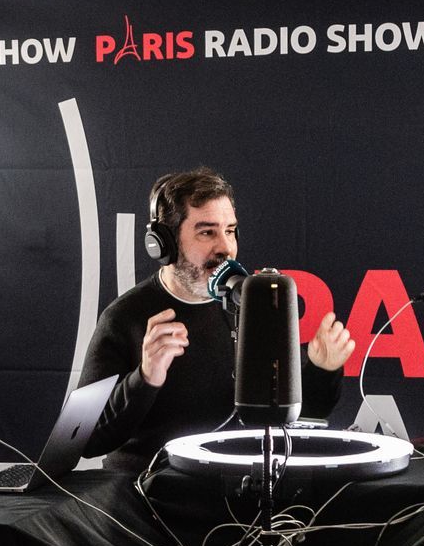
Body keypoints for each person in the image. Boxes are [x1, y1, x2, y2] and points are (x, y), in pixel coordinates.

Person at [78, 166, 356, 472]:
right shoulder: (124, 317)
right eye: (207, 232)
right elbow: (87, 440)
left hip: (234, 486)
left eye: (230, 231)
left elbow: (303, 417)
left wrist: (322, 369)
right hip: (146, 489)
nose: (225, 248)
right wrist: (144, 379)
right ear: (165, 243)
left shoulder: (252, 305)